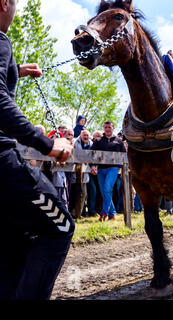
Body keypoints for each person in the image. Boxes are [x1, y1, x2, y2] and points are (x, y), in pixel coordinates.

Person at [0, 0, 74, 299]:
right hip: (3, 169)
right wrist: (47, 144)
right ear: (5, 3)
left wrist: (15, 70)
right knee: (60, 226)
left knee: (12, 240)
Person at [90, 121, 127, 221]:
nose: (107, 129)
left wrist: (122, 168)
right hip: (101, 170)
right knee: (105, 192)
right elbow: (92, 155)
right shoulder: (98, 141)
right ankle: (112, 214)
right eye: (105, 127)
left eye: (109, 127)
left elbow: (124, 156)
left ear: (113, 128)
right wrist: (93, 166)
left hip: (113, 169)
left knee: (107, 188)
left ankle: (104, 213)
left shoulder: (119, 141)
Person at [71, 130, 92, 220]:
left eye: (87, 135)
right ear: (80, 135)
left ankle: (78, 213)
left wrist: (89, 161)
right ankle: (72, 213)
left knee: (83, 193)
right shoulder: (75, 142)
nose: (86, 137)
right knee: (73, 193)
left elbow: (93, 155)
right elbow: (72, 154)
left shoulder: (91, 143)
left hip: (85, 172)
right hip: (74, 170)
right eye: (84, 135)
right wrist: (82, 160)